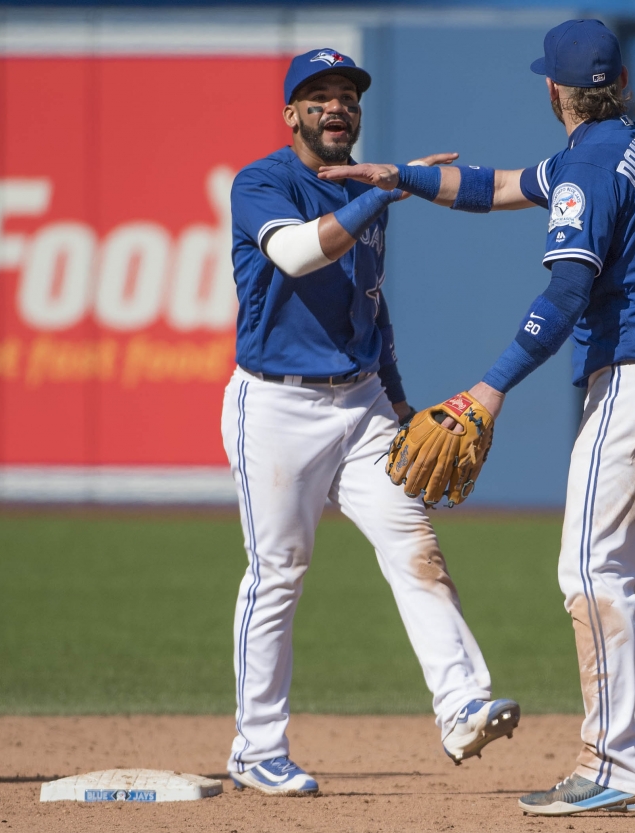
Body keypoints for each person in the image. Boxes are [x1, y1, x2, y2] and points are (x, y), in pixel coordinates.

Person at [321, 19, 635, 817]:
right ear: (620, 88)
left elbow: (569, 290)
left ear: (552, 90)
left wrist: (490, 388)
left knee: (588, 573)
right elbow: (501, 184)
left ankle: (611, 761)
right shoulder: (632, 144)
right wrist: (401, 177)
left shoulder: (589, 164)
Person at [221, 47, 519, 797]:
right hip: (276, 405)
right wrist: (381, 194)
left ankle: (460, 706)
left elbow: (371, 306)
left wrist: (395, 398)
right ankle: (256, 746)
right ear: (290, 114)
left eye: (346, 96)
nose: (335, 108)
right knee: (278, 572)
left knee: (413, 543)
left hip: (357, 404)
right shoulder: (263, 182)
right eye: (317, 97)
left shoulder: (368, 189)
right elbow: (294, 253)